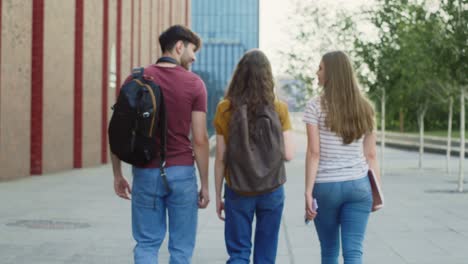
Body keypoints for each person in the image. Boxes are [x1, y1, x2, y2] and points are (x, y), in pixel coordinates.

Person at [110, 25, 210, 264]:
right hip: (182, 172)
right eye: (192, 51)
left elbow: (117, 131)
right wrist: (205, 184)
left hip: (145, 173)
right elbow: (200, 139)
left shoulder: (135, 78)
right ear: (179, 46)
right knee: (181, 248)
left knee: (146, 243)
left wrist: (117, 174)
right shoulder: (195, 84)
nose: (194, 57)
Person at [213, 49, 295, 264]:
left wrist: (218, 194)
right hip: (272, 189)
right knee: (266, 255)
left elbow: (221, 157)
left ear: (239, 75)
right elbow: (288, 154)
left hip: (238, 188)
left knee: (238, 253)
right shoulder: (279, 109)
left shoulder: (225, 108)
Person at [303, 50, 381, 264]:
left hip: (326, 186)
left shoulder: (315, 106)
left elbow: (314, 152)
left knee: (329, 251)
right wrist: (377, 193)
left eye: (320, 68)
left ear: (332, 73)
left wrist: (308, 193)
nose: (316, 72)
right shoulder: (365, 108)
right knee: (354, 252)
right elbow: (371, 154)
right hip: (359, 186)